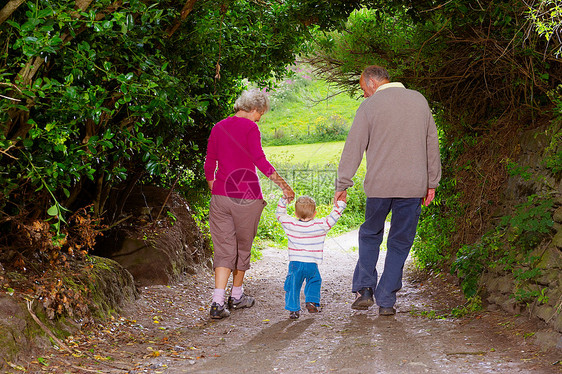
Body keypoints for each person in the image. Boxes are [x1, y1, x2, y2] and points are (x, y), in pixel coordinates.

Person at [334, 65, 441, 316]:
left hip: (379, 186)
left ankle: (365, 288)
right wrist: (431, 182)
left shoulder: (370, 107)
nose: (364, 95)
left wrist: (343, 184)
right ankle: (386, 300)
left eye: (363, 89)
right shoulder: (419, 100)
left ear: (372, 83)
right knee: (400, 242)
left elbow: (353, 147)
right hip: (413, 186)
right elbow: (431, 143)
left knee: (370, 234)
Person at [204, 88, 295, 319]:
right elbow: (260, 160)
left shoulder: (218, 127)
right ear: (254, 109)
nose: (260, 118)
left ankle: (217, 302)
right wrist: (283, 185)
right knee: (243, 246)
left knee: (224, 248)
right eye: (260, 114)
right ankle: (236, 296)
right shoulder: (251, 128)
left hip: (221, 197)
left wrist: (215, 186)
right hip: (246, 197)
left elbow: (209, 163)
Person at [276, 195, 346, 319]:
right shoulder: (320, 225)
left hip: (295, 264)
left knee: (293, 285)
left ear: (296, 214)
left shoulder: (290, 224)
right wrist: (340, 205)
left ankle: (293, 309)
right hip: (311, 264)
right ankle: (311, 301)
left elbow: (280, 214)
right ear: (314, 213)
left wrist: (283, 200)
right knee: (315, 280)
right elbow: (332, 218)